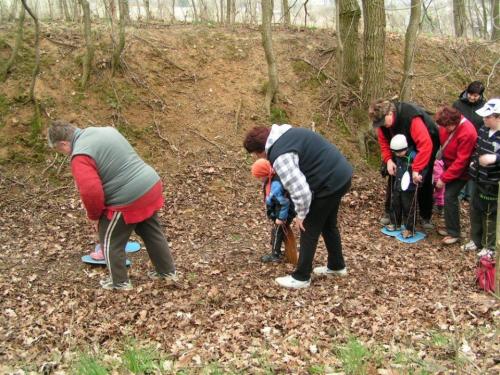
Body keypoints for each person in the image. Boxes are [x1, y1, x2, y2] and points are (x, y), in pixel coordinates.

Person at [48, 120, 177, 290]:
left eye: (60, 149)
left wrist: (94, 216)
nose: (63, 153)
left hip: (127, 197)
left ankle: (120, 283)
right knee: (151, 231)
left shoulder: (80, 155)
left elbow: (91, 191)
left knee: (110, 240)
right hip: (150, 184)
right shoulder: (105, 130)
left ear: (64, 143)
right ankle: (166, 272)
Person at [243, 124, 353, 289]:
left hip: (328, 182)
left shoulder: (280, 156)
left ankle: (301, 276)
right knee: (329, 224)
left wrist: (301, 214)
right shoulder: (286, 134)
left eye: (256, 155)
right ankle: (337, 266)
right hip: (341, 174)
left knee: (308, 227)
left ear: (260, 151)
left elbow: (301, 190)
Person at [369, 99, 440, 230]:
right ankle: (392, 213)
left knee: (421, 178)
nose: (382, 125)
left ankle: (425, 215)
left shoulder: (411, 118)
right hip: (400, 146)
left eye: (383, 122)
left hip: (426, 143)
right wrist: (388, 160)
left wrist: (416, 169)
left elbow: (425, 145)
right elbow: (384, 143)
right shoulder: (382, 125)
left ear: (390, 113)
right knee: (395, 175)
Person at [434, 106, 477, 245]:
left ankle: (454, 233)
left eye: (448, 127)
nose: (445, 129)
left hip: (462, 171)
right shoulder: (444, 126)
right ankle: (450, 226)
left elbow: (461, 161)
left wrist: (444, 178)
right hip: (448, 165)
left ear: (455, 122)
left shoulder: (468, 132)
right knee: (448, 196)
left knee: (449, 196)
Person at [463, 98, 500, 253]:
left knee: (490, 214)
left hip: (493, 182)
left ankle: (489, 246)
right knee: (475, 209)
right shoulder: (483, 129)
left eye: (487, 117)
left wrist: (496, 158)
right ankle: (475, 240)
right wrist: (473, 163)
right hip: (477, 178)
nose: (483, 119)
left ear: (498, 117)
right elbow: (477, 149)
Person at [251, 158, 296, 263]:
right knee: (276, 231)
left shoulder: (275, 185)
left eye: (259, 177)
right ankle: (278, 250)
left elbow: (284, 202)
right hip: (279, 210)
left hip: (285, 212)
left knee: (277, 232)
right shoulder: (271, 177)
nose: (259, 179)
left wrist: (281, 218)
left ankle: (275, 255)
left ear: (264, 173)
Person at [453, 81, 486, 201]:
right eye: (470, 94)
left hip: (477, 141)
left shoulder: (484, 106)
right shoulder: (457, 104)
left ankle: (470, 194)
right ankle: (460, 192)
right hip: (460, 140)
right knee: (460, 164)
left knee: (473, 166)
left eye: (475, 96)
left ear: (480, 95)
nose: (472, 98)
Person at [385, 135, 418, 238]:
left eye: (399, 152)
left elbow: (421, 168)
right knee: (395, 204)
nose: (397, 154)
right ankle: (395, 223)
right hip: (397, 184)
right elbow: (390, 164)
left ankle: (409, 229)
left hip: (409, 187)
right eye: (395, 152)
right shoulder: (396, 155)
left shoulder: (414, 156)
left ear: (405, 148)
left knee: (409, 208)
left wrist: (419, 176)